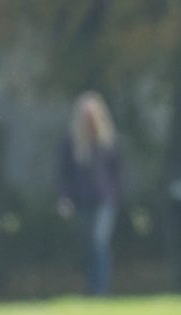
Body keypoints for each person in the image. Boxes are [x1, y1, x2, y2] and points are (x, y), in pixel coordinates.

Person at [57, 91, 121, 297]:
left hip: (105, 200)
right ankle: (90, 287)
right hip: (83, 201)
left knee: (99, 241)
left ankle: (101, 288)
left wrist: (117, 196)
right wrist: (64, 198)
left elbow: (118, 172)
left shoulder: (108, 142)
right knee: (88, 244)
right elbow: (64, 173)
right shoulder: (71, 143)